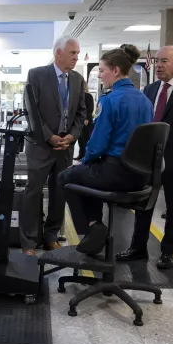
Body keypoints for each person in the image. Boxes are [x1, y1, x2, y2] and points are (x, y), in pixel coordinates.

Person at [117, 45, 173, 270]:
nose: (159, 66)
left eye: (164, 61)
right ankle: (138, 248)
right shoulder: (150, 90)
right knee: (143, 206)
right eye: (157, 61)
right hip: (148, 162)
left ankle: (167, 252)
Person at [58, 49, 153, 255]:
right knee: (87, 177)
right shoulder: (145, 100)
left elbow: (97, 144)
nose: (99, 75)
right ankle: (95, 227)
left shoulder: (109, 100)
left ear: (116, 71)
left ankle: (92, 228)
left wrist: (85, 159)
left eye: (101, 70)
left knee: (66, 176)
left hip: (115, 172)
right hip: (141, 177)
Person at [20, 36, 87, 256]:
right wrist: (49, 137)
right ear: (58, 53)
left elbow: (81, 113)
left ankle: (50, 237)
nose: (76, 57)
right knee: (34, 192)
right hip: (41, 145)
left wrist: (71, 136)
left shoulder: (77, 79)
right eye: (73, 53)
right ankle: (29, 241)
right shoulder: (37, 75)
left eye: (77, 53)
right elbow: (32, 111)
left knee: (60, 192)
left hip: (65, 147)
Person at [76, 91, 94, 161]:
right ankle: (81, 154)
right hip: (79, 120)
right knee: (80, 139)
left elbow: (90, 108)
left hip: (87, 121)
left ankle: (85, 156)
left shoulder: (88, 96)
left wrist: (87, 118)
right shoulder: (78, 95)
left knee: (86, 139)